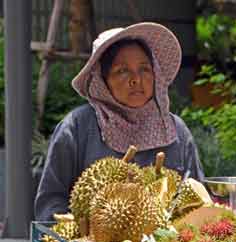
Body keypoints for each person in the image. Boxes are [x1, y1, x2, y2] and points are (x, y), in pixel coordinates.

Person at [35, 22, 204, 221]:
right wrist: (78, 237)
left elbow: (197, 199)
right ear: (102, 80)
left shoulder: (176, 131)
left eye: (144, 69)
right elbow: (51, 201)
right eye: (122, 71)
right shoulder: (76, 128)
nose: (136, 79)